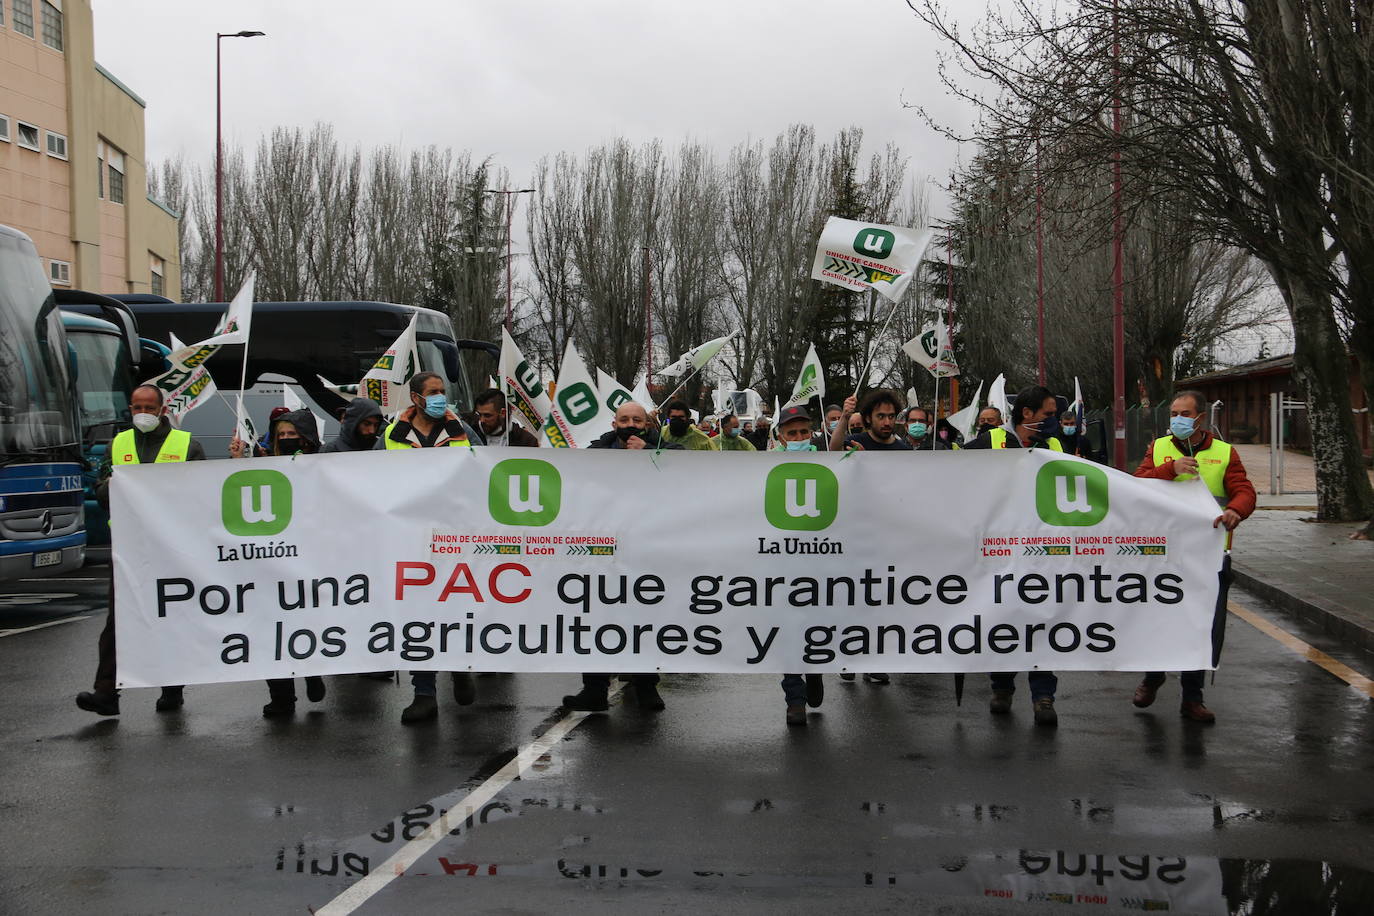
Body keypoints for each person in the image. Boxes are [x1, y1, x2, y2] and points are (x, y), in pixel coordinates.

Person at [76, 384, 205, 717]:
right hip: (128, 550)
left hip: (171, 549)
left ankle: (172, 688)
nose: (143, 413)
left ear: (163, 409)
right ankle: (106, 693)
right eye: (137, 407)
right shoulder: (117, 445)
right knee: (118, 623)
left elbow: (201, 493)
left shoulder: (187, 444)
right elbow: (101, 488)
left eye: (150, 407)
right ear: (130, 409)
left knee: (170, 618)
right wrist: (118, 486)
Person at [1131, 389, 1255, 723]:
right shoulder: (1158, 448)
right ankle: (1153, 675)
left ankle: (1192, 697)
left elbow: (1244, 491)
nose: (1177, 420)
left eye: (1184, 414)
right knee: (1159, 617)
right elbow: (1136, 485)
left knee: (1202, 624)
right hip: (1163, 553)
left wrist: (1235, 510)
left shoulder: (1224, 452)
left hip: (1208, 554)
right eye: (1173, 413)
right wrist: (1169, 469)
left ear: (1200, 418)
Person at [563, 402, 680, 713]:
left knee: (643, 617)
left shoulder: (663, 448)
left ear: (648, 424)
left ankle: (646, 686)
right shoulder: (597, 451)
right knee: (598, 616)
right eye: (624, 419)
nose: (631, 424)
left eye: (637, 419)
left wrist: (650, 454)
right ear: (614, 424)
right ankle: (594, 688)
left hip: (647, 547)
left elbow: (688, 472)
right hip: (605, 549)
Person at [382, 372, 479, 723]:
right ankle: (424, 693)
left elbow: (483, 475)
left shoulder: (463, 433)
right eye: (434, 392)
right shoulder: (392, 437)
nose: (441, 398)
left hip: (456, 537)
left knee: (454, 609)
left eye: (443, 392)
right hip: (411, 537)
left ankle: (459, 668)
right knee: (418, 616)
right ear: (416, 398)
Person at [965, 385, 1064, 726]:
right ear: (1027, 414)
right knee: (1003, 621)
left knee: (1041, 620)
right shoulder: (989, 442)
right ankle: (1002, 688)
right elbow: (954, 478)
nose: (1054, 422)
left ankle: (1043, 696)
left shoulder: (1053, 445)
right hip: (999, 552)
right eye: (1048, 415)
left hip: (1041, 552)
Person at [255, 410, 333, 717]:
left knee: (303, 625)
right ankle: (282, 697)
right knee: (270, 630)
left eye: (293, 435)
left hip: (311, 560)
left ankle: (312, 672)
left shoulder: (322, 466)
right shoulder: (264, 464)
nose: (286, 441)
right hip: (273, 561)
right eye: (281, 436)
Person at [772, 405, 827, 725]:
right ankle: (794, 697)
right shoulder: (765, 467)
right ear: (781, 436)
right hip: (780, 564)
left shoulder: (828, 463)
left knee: (816, 625)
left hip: (821, 564)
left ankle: (816, 668)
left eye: (804, 432)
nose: (799, 438)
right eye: (792, 433)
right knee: (788, 630)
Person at [464, 388, 539, 447]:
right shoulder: (468, 433)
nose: (482, 420)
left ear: (503, 413)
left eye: (487, 415)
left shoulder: (526, 441)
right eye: (479, 414)